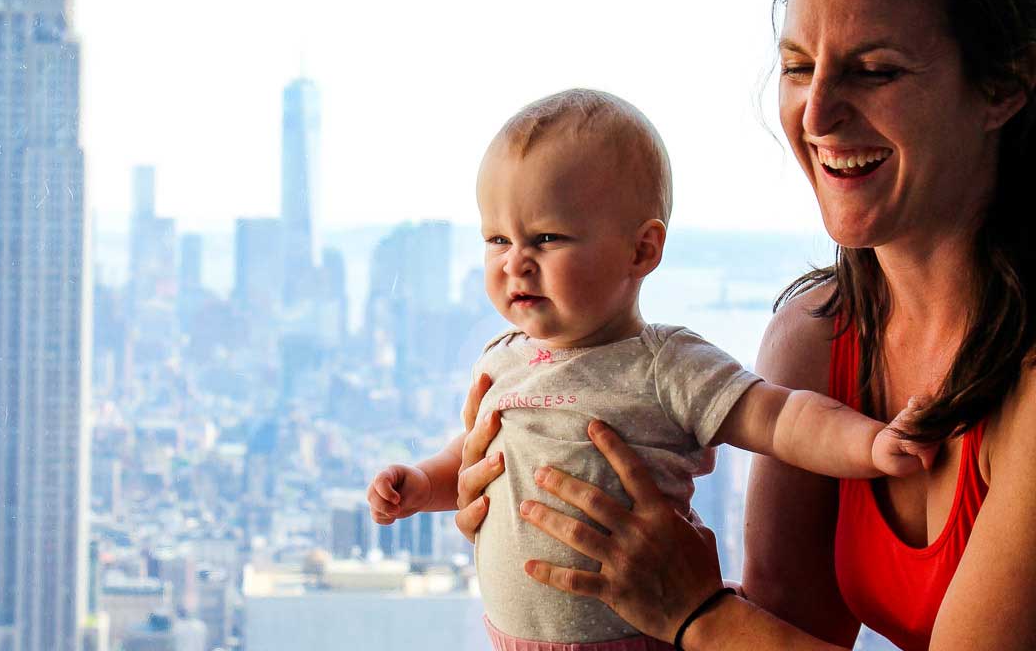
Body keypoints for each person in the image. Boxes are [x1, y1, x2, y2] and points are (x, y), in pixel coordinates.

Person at [452, 0, 1036, 651]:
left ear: (1003, 85)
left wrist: (695, 610)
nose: (818, 115)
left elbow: (728, 631)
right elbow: (784, 633)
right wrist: (540, 530)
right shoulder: (818, 335)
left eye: (875, 71)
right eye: (798, 67)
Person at [366, 88, 934, 651]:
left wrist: (871, 446)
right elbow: (472, 454)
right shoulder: (501, 358)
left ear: (641, 251)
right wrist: (420, 485)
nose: (516, 260)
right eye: (497, 239)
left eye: (546, 237)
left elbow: (782, 417)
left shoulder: (666, 366)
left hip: (640, 635)